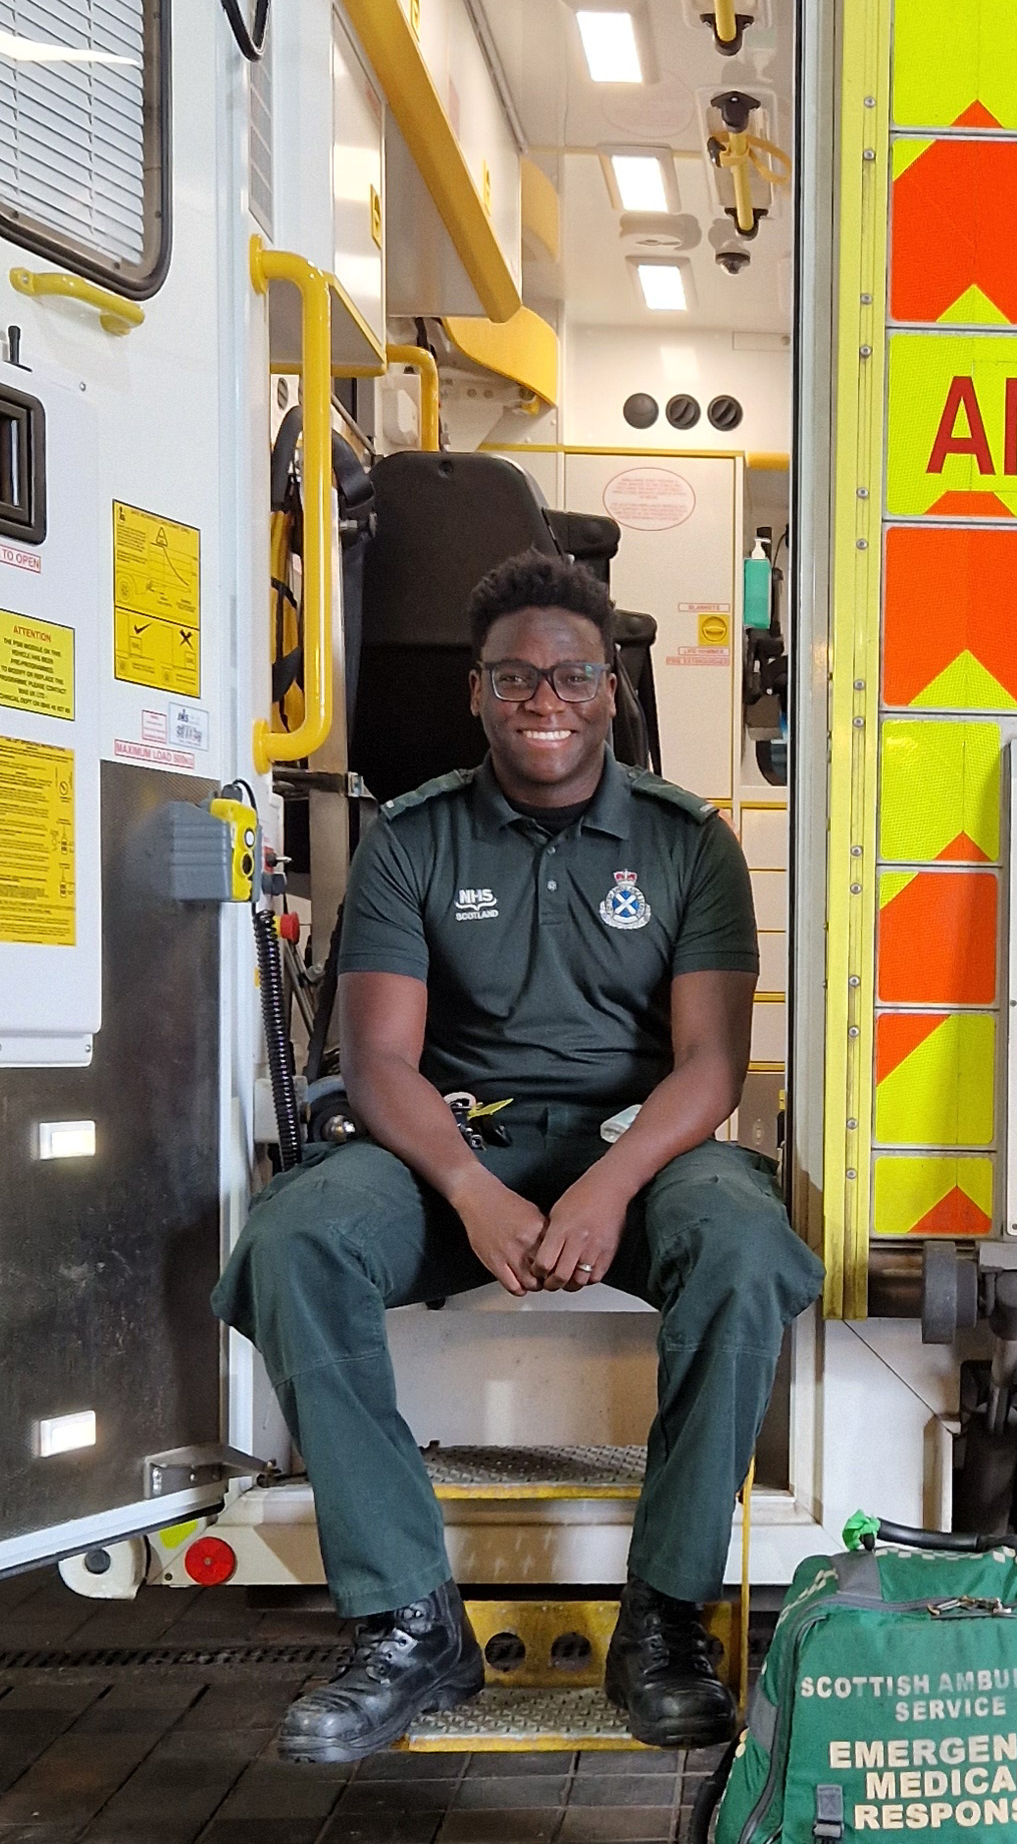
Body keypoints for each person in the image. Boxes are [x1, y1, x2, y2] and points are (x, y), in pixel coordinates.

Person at [213, 548, 820, 1758]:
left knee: (747, 1246)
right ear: (476, 694)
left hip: (634, 1155)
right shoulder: (411, 841)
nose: (545, 699)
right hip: (458, 1149)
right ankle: (406, 1624)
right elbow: (382, 1058)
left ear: (610, 690)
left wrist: (606, 1184)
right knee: (295, 1236)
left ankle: (663, 1620)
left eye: (571, 675)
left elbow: (709, 1062)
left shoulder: (691, 842)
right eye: (515, 678)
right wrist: (470, 1190)